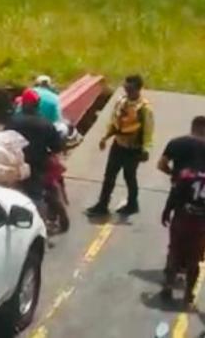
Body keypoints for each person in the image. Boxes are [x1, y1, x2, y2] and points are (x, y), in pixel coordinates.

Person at [86, 75, 154, 217]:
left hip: (133, 148)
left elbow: (148, 129)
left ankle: (132, 204)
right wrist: (105, 137)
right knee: (109, 175)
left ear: (138, 89)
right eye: (125, 88)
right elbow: (114, 121)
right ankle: (102, 204)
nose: (127, 92)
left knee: (129, 176)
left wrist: (146, 149)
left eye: (130, 89)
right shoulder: (121, 102)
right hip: (118, 144)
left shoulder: (144, 108)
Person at [9, 88, 66, 228]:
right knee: (37, 195)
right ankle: (40, 226)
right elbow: (57, 147)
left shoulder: (14, 121)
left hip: (16, 163)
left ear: (23, 104)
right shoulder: (46, 124)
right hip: (38, 165)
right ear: (37, 104)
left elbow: (5, 139)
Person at [160, 163, 205, 307]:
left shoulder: (187, 175)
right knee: (194, 259)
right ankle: (188, 293)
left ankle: (168, 286)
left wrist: (167, 211)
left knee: (175, 252)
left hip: (182, 219)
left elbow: (174, 194)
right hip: (201, 225)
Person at [158, 117, 205, 182]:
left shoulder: (175, 142)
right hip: (200, 187)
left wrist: (174, 174)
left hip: (179, 186)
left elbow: (161, 165)